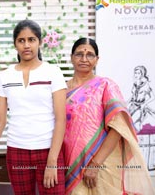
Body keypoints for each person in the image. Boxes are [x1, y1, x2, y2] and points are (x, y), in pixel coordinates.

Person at [64, 37, 155, 195]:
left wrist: (95, 164)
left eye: (90, 55)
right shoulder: (62, 89)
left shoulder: (106, 85)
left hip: (102, 164)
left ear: (97, 60)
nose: (84, 59)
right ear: (71, 57)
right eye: (79, 54)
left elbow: (118, 127)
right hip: (69, 162)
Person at [0, 19, 67, 194]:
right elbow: (1, 121)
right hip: (16, 149)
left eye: (31, 40)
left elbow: (61, 119)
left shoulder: (53, 72)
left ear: (40, 42)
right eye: (21, 40)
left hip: (48, 149)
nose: (26, 45)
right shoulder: (4, 76)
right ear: (15, 44)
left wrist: (52, 161)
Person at [128, 65, 155, 132]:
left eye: (138, 73)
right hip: (132, 106)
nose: (136, 74)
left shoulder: (146, 85)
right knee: (126, 121)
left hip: (140, 106)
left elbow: (152, 97)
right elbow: (133, 96)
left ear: (142, 74)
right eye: (135, 73)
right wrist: (126, 103)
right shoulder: (135, 84)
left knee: (134, 123)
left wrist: (144, 104)